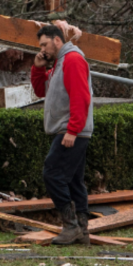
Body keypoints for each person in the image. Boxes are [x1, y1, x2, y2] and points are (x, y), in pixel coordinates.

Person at [30, 23, 94, 245]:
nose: (42, 50)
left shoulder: (72, 60)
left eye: (44, 45)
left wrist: (72, 130)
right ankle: (82, 231)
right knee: (75, 181)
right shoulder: (60, 63)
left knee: (52, 174)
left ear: (57, 40)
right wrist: (38, 68)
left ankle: (71, 226)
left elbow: (81, 96)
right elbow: (41, 90)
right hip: (71, 129)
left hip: (71, 130)